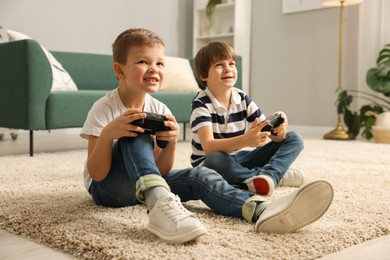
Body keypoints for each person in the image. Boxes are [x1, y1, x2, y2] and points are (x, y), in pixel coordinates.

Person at [81, 28, 334, 244]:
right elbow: (97, 174)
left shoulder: (161, 110)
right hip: (109, 191)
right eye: (143, 62)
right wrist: (107, 135)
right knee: (134, 132)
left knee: (201, 175)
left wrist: (168, 145)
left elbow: (160, 169)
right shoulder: (104, 108)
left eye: (159, 63)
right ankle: (159, 205)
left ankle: (260, 208)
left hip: (146, 187)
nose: (153, 68)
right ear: (120, 69)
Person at [190, 41, 305, 196]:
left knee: (294, 138)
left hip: (239, 158)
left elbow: (272, 136)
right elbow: (209, 147)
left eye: (231, 64)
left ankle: (268, 176)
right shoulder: (201, 104)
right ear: (204, 75)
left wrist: (280, 128)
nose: (228, 69)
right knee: (215, 159)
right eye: (219, 65)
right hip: (211, 164)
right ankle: (275, 175)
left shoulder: (242, 98)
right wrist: (245, 140)